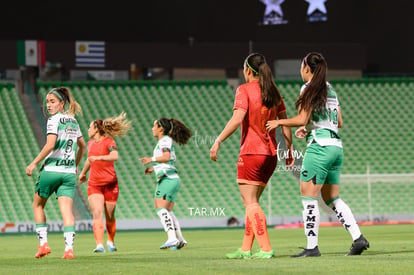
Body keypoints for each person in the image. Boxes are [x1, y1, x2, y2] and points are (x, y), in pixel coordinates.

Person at [265, 52, 370, 257]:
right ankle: (358, 238)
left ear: (306, 68)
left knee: (308, 196)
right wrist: (311, 127)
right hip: (335, 146)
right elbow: (338, 121)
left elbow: (301, 117)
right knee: (332, 198)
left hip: (319, 147)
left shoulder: (308, 88)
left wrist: (279, 122)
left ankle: (312, 247)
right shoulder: (330, 89)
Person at [210, 52, 294, 259]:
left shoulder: (244, 90)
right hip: (270, 156)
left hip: (251, 152)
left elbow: (237, 118)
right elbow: (285, 126)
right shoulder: (274, 92)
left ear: (248, 70)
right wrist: (289, 151)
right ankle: (246, 249)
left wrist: (218, 141)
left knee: (250, 203)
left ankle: (266, 248)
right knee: (253, 202)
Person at [26, 87, 86, 259]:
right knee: (67, 211)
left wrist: (34, 163)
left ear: (62, 103)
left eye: (52, 102)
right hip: (68, 173)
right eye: (47, 102)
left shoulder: (54, 120)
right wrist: (75, 164)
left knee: (37, 205)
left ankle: (43, 244)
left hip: (51, 170)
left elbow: (50, 145)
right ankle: (69, 249)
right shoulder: (73, 121)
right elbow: (83, 146)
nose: (49, 105)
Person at [79, 112, 131, 253]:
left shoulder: (109, 142)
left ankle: (110, 241)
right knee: (97, 213)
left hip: (110, 184)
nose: (88, 130)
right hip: (94, 184)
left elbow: (115, 156)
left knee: (109, 216)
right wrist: (83, 174)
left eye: (90, 127)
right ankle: (99, 244)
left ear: (96, 128)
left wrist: (99, 157)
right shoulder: (90, 144)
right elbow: (90, 160)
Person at [140, 118, 192, 250]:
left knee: (160, 208)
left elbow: (166, 157)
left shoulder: (164, 141)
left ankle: (172, 238)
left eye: (154, 126)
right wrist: (153, 168)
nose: (152, 128)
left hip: (167, 179)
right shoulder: (165, 141)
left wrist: (150, 160)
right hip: (171, 177)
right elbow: (167, 162)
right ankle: (180, 239)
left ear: (160, 129)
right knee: (168, 210)